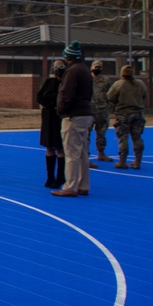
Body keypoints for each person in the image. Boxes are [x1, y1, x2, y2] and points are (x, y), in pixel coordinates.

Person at [52, 42, 94, 197]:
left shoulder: (73, 72)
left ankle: (70, 186)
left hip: (74, 115)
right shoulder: (85, 70)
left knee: (71, 152)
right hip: (86, 113)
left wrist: (62, 110)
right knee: (82, 152)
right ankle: (83, 184)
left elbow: (66, 94)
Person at [107, 65, 148, 170]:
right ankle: (138, 162)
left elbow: (110, 97)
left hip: (123, 114)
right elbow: (144, 95)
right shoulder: (140, 83)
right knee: (137, 138)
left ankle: (122, 161)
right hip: (138, 113)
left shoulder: (119, 84)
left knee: (123, 137)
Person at [37, 59, 66, 188]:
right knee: (49, 147)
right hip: (49, 116)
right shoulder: (49, 82)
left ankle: (60, 177)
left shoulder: (66, 83)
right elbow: (40, 97)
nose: (57, 69)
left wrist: (56, 103)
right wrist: (51, 103)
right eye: (56, 67)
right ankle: (50, 177)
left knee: (60, 148)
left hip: (61, 117)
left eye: (60, 66)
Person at [90, 60, 113, 163]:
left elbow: (111, 94)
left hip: (102, 110)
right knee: (86, 133)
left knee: (101, 133)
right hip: (89, 110)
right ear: (91, 67)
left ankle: (101, 153)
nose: (97, 69)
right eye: (96, 67)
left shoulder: (106, 81)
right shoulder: (86, 79)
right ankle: (85, 154)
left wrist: (109, 107)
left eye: (99, 67)